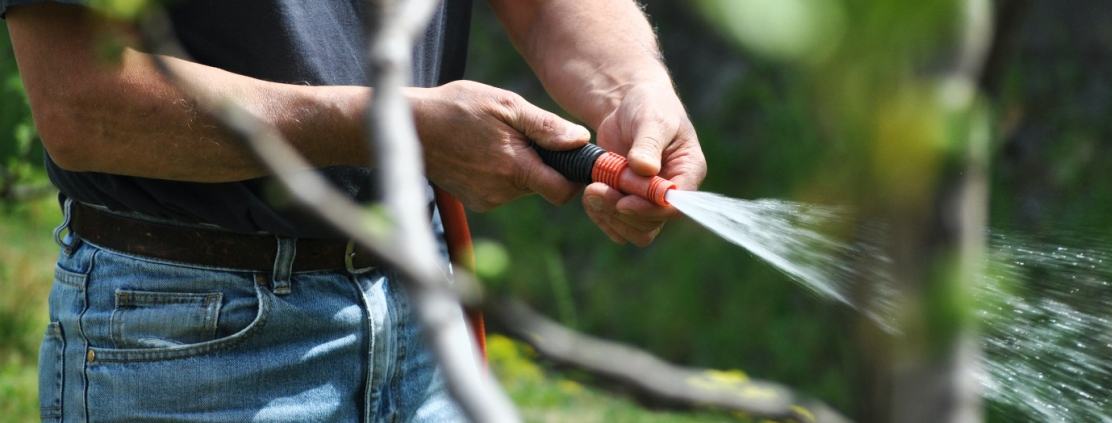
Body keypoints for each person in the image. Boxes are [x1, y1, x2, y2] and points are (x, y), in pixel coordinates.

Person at [3, 0, 706, 421]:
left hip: (422, 307)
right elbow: (79, 100)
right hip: (192, 341)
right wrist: (389, 126)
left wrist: (630, 85)